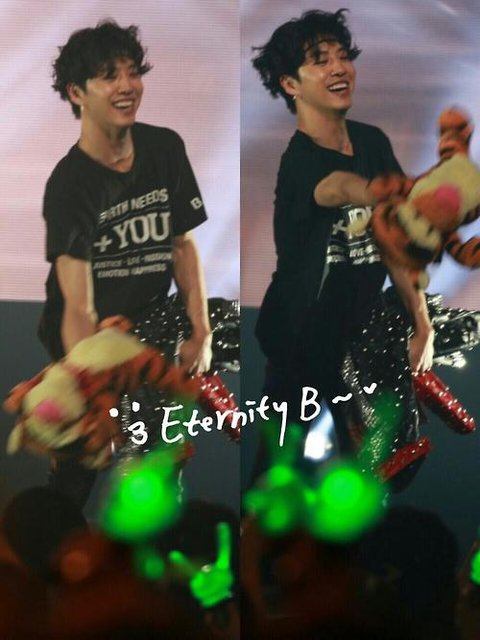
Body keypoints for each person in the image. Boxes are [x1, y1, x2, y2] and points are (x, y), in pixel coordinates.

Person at [251, 9, 434, 477]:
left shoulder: (372, 142)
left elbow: (394, 244)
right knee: (283, 477)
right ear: (290, 84)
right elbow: (339, 187)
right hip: (301, 346)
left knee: (375, 476)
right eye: (320, 60)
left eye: (342, 56)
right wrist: (380, 191)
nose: (339, 68)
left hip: (363, 341)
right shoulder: (299, 161)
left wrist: (421, 323)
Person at [37, 20, 212, 507]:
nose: (127, 85)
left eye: (133, 72)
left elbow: (182, 246)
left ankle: (155, 550)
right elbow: (78, 306)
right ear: (77, 93)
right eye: (108, 75)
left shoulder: (165, 148)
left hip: (151, 329)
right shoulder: (70, 184)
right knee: (80, 466)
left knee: (159, 468)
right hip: (87, 341)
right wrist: (90, 385)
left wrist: (201, 331)